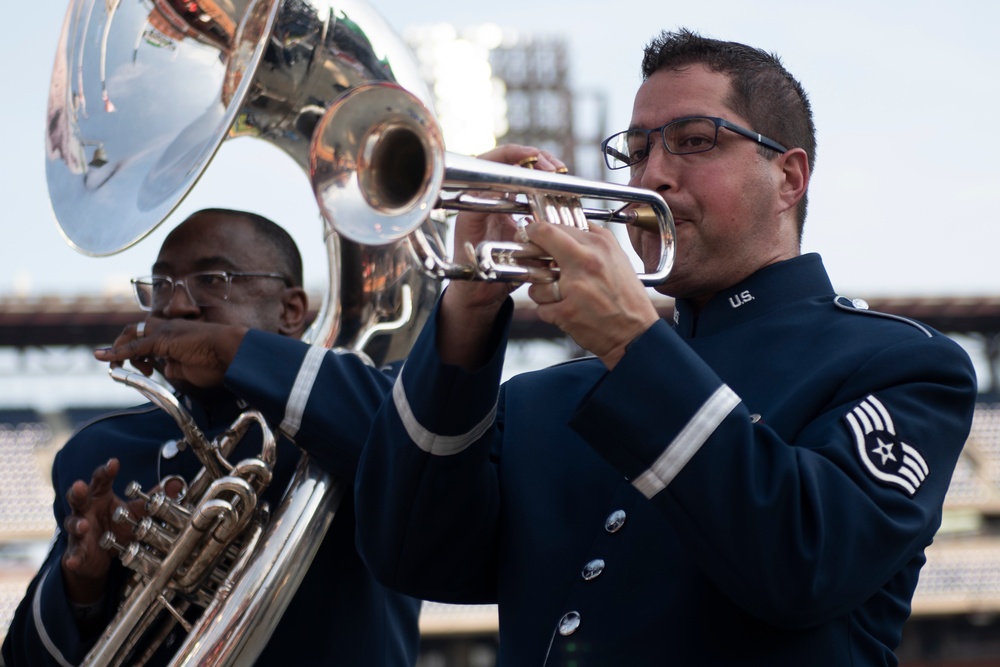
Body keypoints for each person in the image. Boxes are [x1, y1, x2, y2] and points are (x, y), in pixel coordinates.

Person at [353, 29, 979, 665]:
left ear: (789, 177)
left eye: (694, 141)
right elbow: (410, 552)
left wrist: (631, 339)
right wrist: (468, 311)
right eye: (637, 149)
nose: (653, 174)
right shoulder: (544, 399)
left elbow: (803, 564)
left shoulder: (901, 366)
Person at [2, 208, 421, 666]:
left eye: (214, 279)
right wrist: (83, 585)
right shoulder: (99, 450)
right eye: (160, 285)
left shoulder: (350, 404)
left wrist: (230, 350)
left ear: (290, 310)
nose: (176, 306)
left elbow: (418, 441)